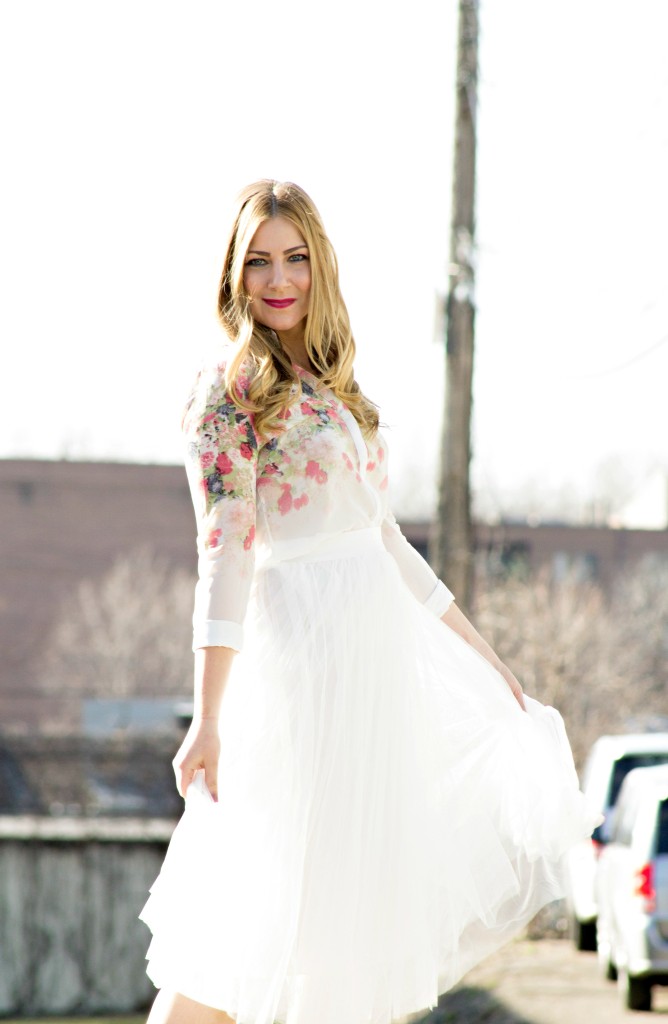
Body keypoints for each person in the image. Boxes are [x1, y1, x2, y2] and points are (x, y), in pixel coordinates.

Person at [140, 180, 597, 1024]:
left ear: (320, 265)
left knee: (338, 938)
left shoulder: (338, 390)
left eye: (296, 258)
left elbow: (386, 542)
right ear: (234, 275)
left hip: (371, 676)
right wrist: (208, 718)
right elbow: (225, 554)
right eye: (260, 261)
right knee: (235, 931)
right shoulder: (225, 393)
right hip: (295, 671)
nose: (279, 279)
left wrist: (484, 657)